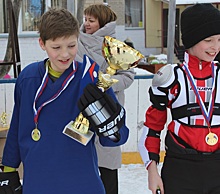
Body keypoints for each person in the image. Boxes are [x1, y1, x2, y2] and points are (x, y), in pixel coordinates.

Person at [0, 8, 129, 194]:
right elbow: (17, 127)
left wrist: (111, 124)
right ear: (42, 44)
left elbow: (118, 138)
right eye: (56, 47)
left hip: (82, 183)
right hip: (38, 182)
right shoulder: (27, 79)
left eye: (71, 45)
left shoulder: (91, 78)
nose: (65, 54)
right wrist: (9, 170)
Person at [138, 3, 220, 194]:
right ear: (191, 39)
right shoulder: (170, 78)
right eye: (208, 40)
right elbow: (152, 127)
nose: (215, 47)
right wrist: (152, 170)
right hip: (181, 169)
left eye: (219, 39)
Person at [76, 3, 135, 194]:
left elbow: (128, 76)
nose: (87, 24)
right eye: (85, 19)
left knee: (107, 169)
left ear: (102, 23)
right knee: (78, 164)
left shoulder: (116, 46)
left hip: (107, 113)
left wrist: (106, 84)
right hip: (80, 112)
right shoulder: (75, 42)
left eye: (91, 20)